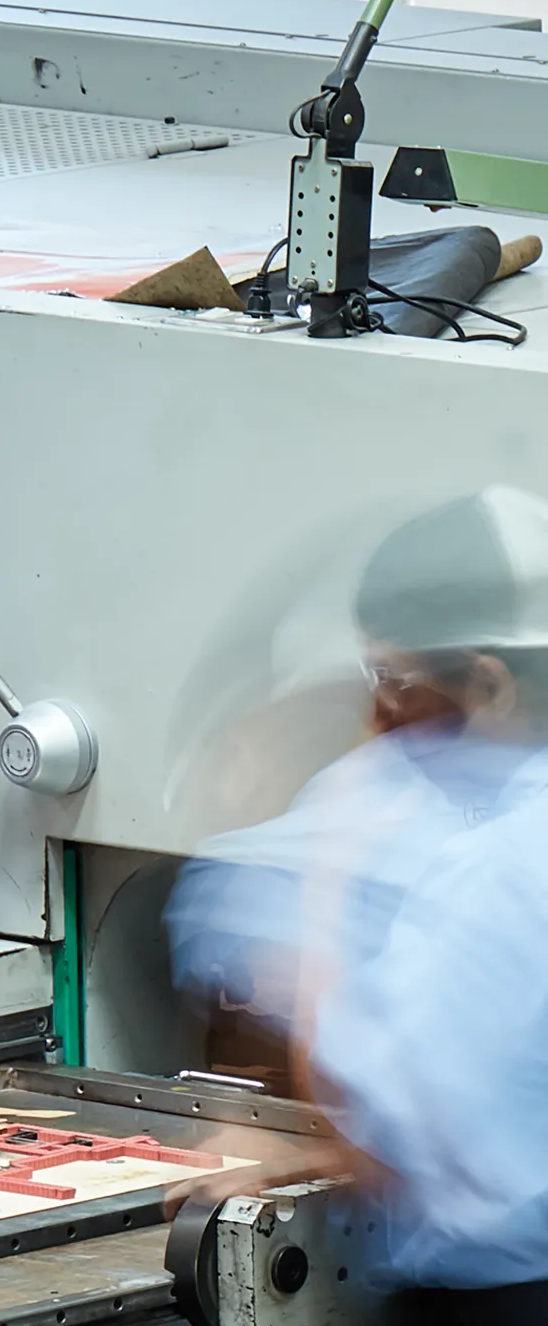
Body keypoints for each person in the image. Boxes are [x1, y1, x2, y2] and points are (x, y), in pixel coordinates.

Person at [166, 486, 548, 1322]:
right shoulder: (455, 801)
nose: (376, 707)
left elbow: (402, 1102)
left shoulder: (499, 873)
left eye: (394, 677)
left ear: (489, 683)